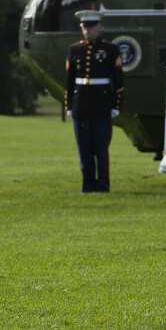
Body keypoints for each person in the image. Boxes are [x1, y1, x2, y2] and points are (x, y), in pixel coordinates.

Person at [64, 10, 124, 193]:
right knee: (84, 148)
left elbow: (118, 81)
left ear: (99, 27)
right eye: (84, 27)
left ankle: (103, 184)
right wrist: (69, 105)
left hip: (102, 105)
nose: (87, 31)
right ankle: (87, 184)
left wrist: (116, 105)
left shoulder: (110, 49)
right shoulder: (74, 49)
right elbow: (69, 79)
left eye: (91, 27)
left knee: (100, 147)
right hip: (81, 105)